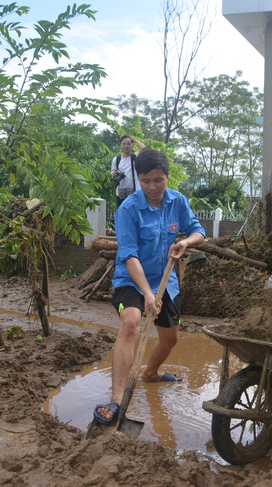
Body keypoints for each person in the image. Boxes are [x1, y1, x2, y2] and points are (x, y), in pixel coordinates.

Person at [93, 149, 206, 425]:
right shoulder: (128, 209)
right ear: (138, 180)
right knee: (130, 322)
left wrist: (185, 243)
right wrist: (146, 294)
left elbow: (199, 231)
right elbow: (129, 256)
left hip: (166, 280)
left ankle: (151, 373)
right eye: (145, 181)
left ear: (167, 177)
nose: (152, 187)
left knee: (170, 339)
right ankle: (118, 399)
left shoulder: (177, 201)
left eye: (158, 180)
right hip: (131, 280)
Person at [111, 135, 146, 207]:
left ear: (132, 146)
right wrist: (114, 174)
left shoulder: (134, 157)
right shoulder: (116, 159)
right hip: (121, 191)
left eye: (128, 144)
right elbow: (112, 172)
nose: (126, 146)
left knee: (134, 214)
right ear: (120, 145)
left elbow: (143, 147)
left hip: (135, 190)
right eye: (124, 144)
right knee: (122, 213)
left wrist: (134, 139)